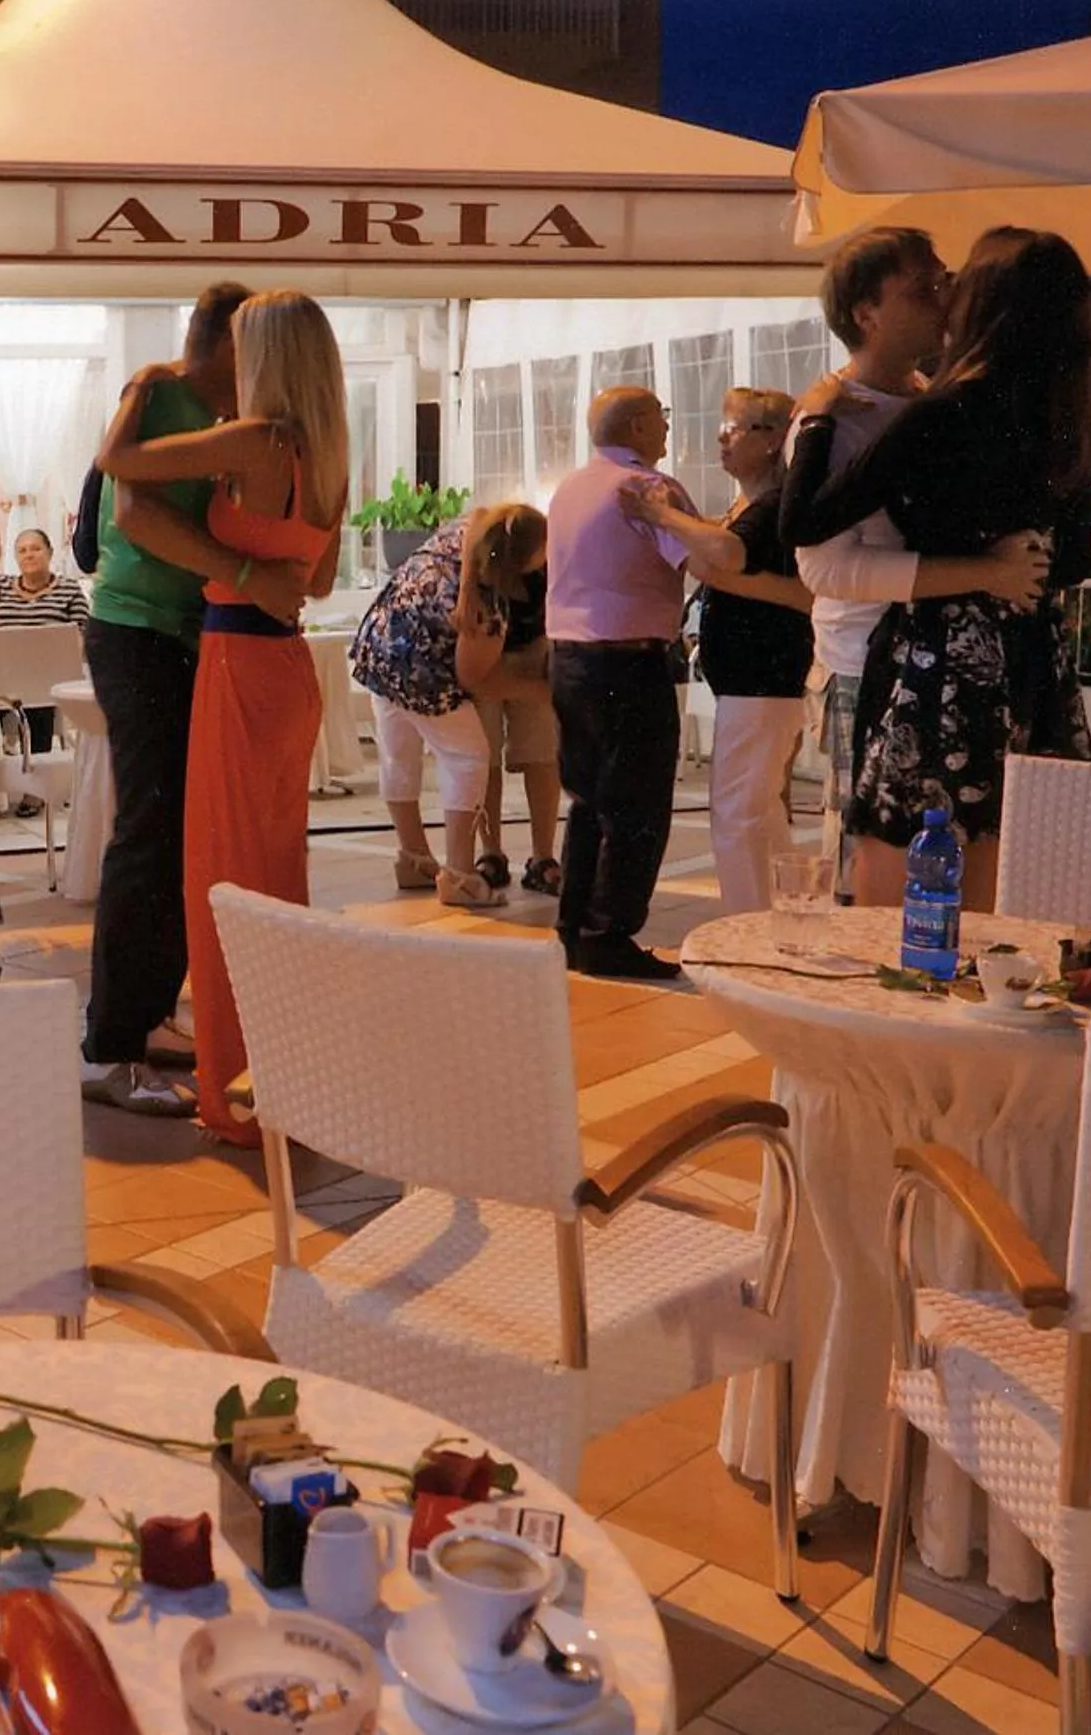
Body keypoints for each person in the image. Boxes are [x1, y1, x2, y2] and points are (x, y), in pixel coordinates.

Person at [781, 226, 1091, 911]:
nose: (945, 291)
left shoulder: (941, 411)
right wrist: (1004, 566)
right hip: (1032, 662)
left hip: (940, 665)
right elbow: (1072, 560)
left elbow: (802, 523)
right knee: (1004, 869)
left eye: (953, 281)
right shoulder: (1073, 414)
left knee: (903, 889)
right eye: (928, 284)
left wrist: (813, 421)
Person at [97, 290, 346, 1145]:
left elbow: (119, 462)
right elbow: (315, 583)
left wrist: (142, 386)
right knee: (276, 873)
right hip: (289, 669)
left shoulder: (255, 440)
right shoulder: (328, 453)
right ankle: (281, 1064)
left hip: (236, 664)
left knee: (223, 877)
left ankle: (233, 1083)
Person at [75, 281, 259, 1117]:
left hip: (175, 634)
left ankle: (147, 1017)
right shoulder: (163, 394)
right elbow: (139, 519)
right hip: (137, 629)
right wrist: (247, 574)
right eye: (249, 351)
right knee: (147, 838)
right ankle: (108, 1048)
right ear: (221, 343)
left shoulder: (203, 406)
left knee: (178, 835)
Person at [542, 388, 748, 981]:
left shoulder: (572, 487)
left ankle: (574, 926)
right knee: (636, 804)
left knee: (587, 801)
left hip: (571, 660)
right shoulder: (649, 488)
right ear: (637, 425)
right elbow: (708, 562)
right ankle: (609, 933)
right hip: (629, 663)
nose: (667, 428)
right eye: (662, 416)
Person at [353, 506, 552, 907]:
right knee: (468, 756)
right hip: (421, 673)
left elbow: (482, 512)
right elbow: (474, 677)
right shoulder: (487, 610)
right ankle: (461, 877)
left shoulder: (463, 535)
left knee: (399, 755)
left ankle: (413, 858)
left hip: (380, 645)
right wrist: (541, 691)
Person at [691, 388, 817, 913]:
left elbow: (802, 593)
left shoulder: (775, 509)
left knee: (739, 814)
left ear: (770, 441)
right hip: (748, 681)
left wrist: (661, 516)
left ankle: (747, 926)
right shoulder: (747, 507)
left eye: (734, 428)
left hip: (763, 678)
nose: (723, 439)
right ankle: (781, 915)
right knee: (758, 811)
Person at [0, 527, 90, 763]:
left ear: (50, 552)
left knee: (38, 695)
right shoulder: (0, 587)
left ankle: (34, 787)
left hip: (47, 679)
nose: (29, 555)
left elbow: (83, 636)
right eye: (22, 550)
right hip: (2, 678)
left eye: (35, 548)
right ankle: (4, 775)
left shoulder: (68, 590)